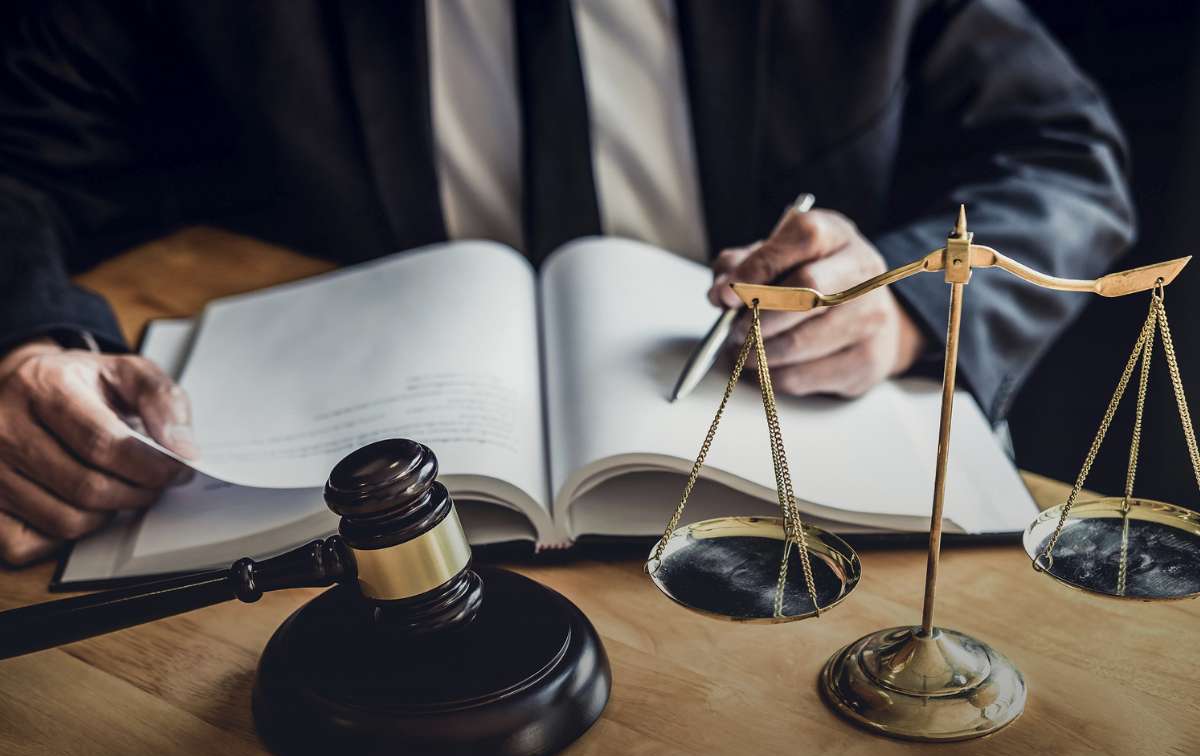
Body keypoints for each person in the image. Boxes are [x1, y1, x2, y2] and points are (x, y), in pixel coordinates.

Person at [0, 0, 1134, 565]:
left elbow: (1063, 161)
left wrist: (903, 303)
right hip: (348, 548)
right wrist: (25, 341)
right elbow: (21, 160)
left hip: (802, 532)